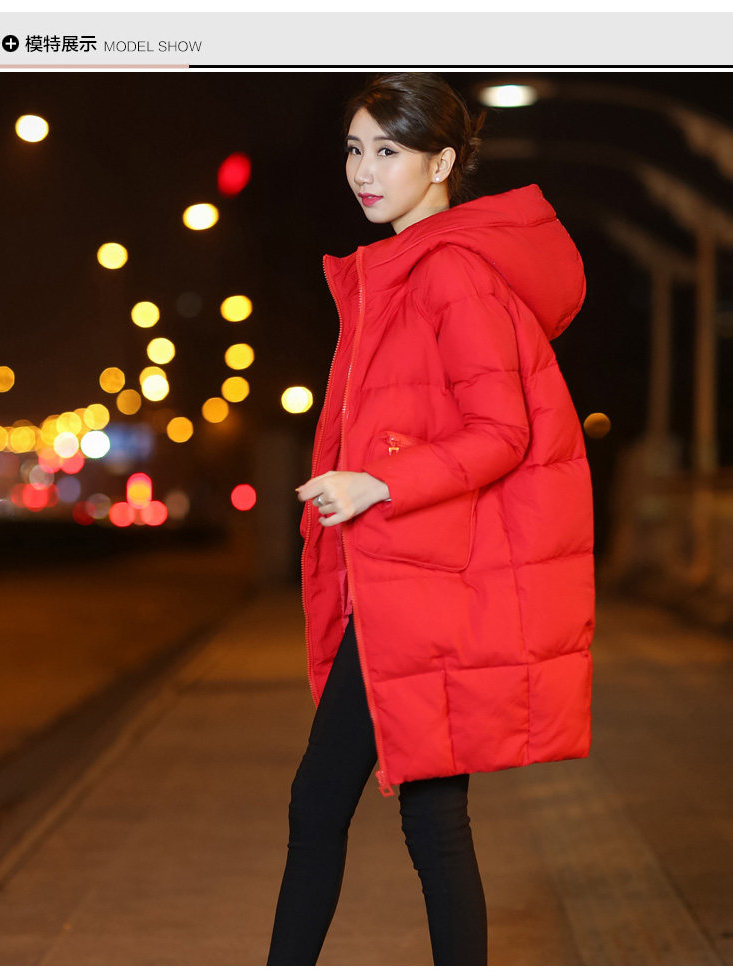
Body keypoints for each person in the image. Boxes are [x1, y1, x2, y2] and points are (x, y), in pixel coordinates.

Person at [266, 72, 595, 966]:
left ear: (443, 163)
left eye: (389, 151)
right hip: (408, 577)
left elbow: (502, 433)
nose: (363, 171)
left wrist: (376, 484)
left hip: (420, 585)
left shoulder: (448, 271)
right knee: (433, 818)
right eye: (354, 149)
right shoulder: (401, 271)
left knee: (321, 802)